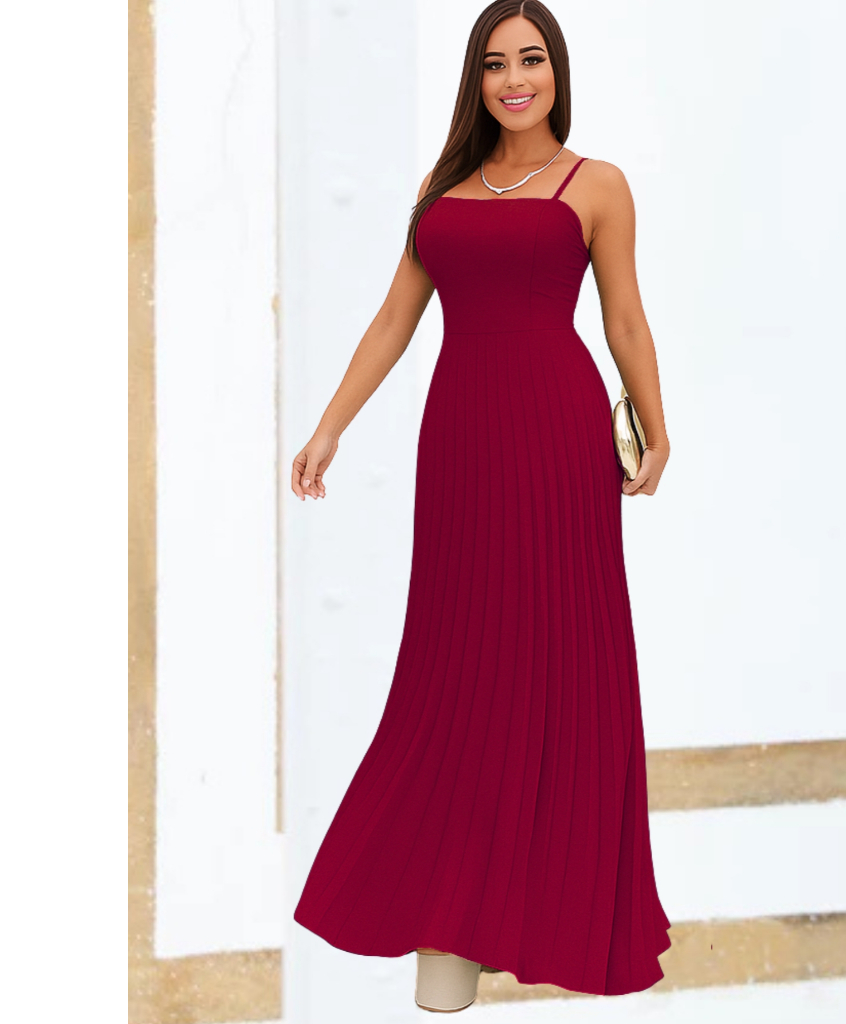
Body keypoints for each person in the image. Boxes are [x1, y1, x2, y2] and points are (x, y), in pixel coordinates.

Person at [291, 0, 672, 1011]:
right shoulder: (440, 188)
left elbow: (624, 319)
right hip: (459, 437)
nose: (515, 79)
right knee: (453, 669)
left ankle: (550, 914)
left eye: (531, 60)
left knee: (558, 654)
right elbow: (394, 317)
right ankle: (447, 928)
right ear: (477, 78)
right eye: (496, 63)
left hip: (557, 434)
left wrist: (655, 425)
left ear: (556, 72)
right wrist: (330, 426)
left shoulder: (598, 185)